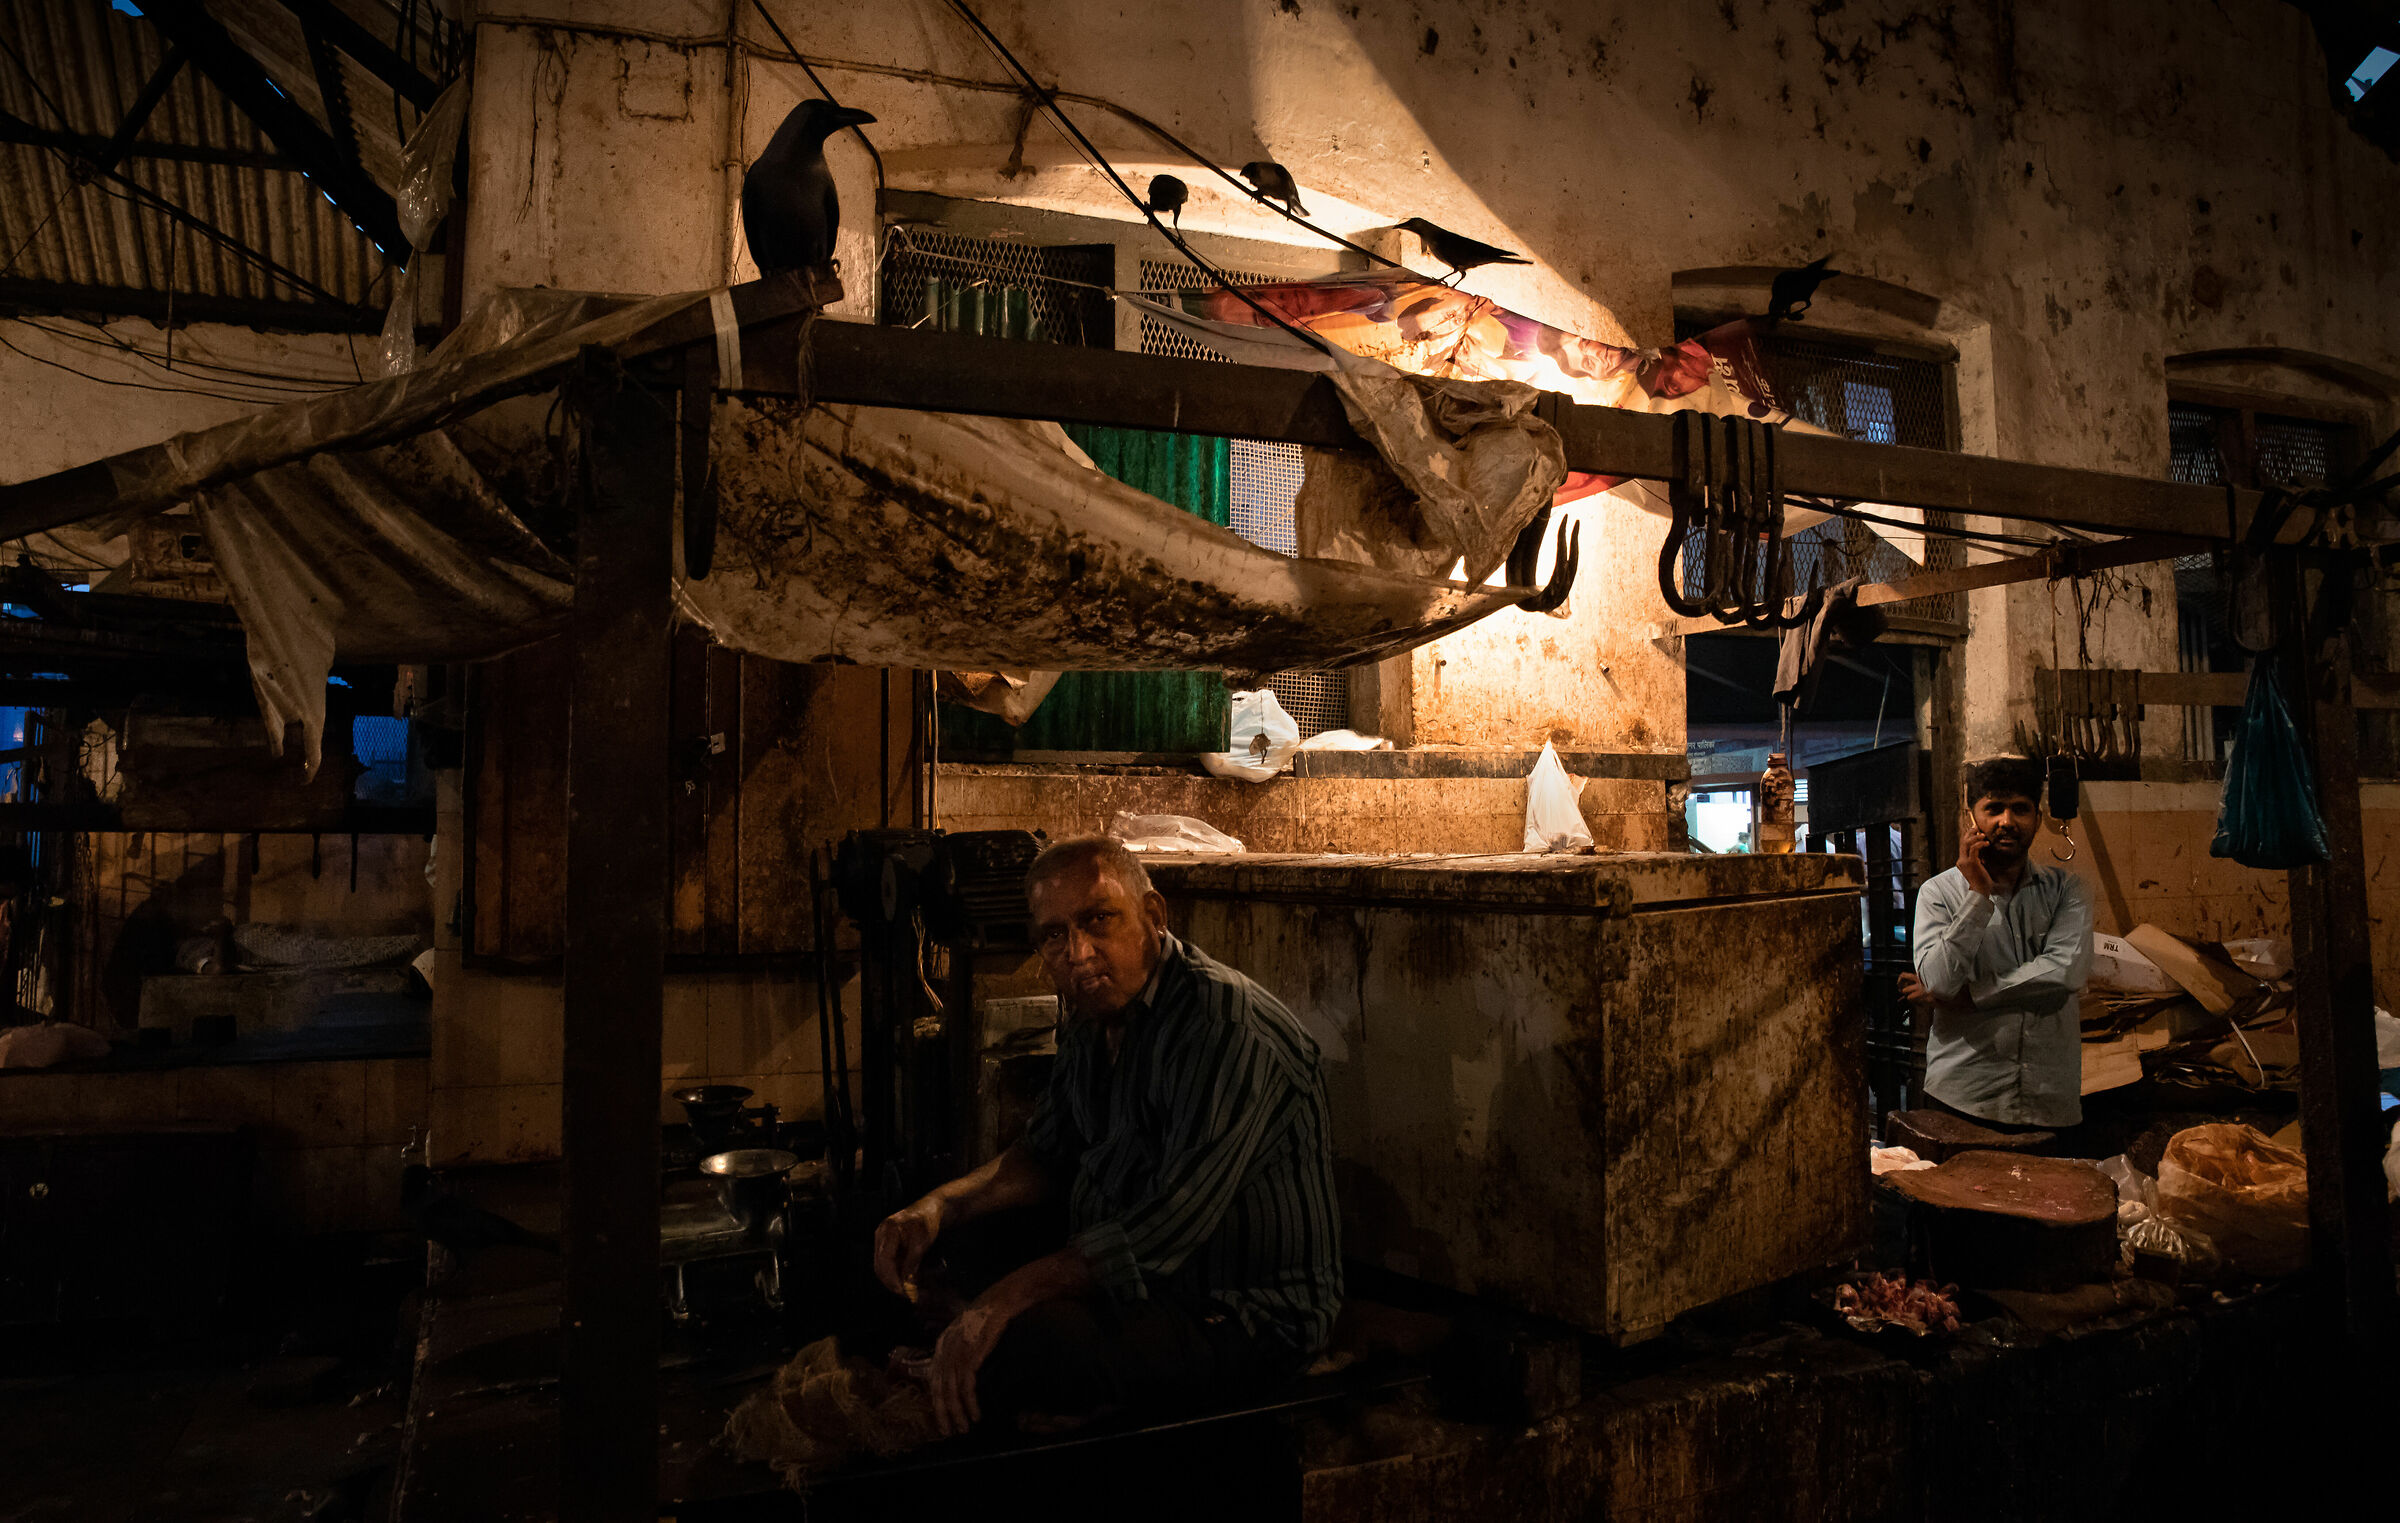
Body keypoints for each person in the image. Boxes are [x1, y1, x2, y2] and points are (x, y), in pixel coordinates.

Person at [871, 836, 1341, 1437]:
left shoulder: (1223, 1027)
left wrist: (999, 1304)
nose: (1078, 953)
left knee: (1037, 1344)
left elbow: (1164, 1231)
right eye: (1053, 935)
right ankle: (992, 1349)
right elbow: (1044, 1154)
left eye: (1098, 920)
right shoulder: (1091, 1013)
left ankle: (1020, 1370)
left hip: (1237, 1308)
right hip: (1139, 1280)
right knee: (939, 1250)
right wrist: (936, 1207)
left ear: (1152, 916)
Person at [1898, 756, 2095, 1132]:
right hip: (1964, 1097)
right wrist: (1977, 895)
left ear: (2038, 818)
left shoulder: (2069, 890)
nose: (2007, 821)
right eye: (1994, 809)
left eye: (2020, 809)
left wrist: (1971, 998)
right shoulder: (1937, 893)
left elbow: (2064, 972)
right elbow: (1939, 982)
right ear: (1971, 818)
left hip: (2049, 1101)